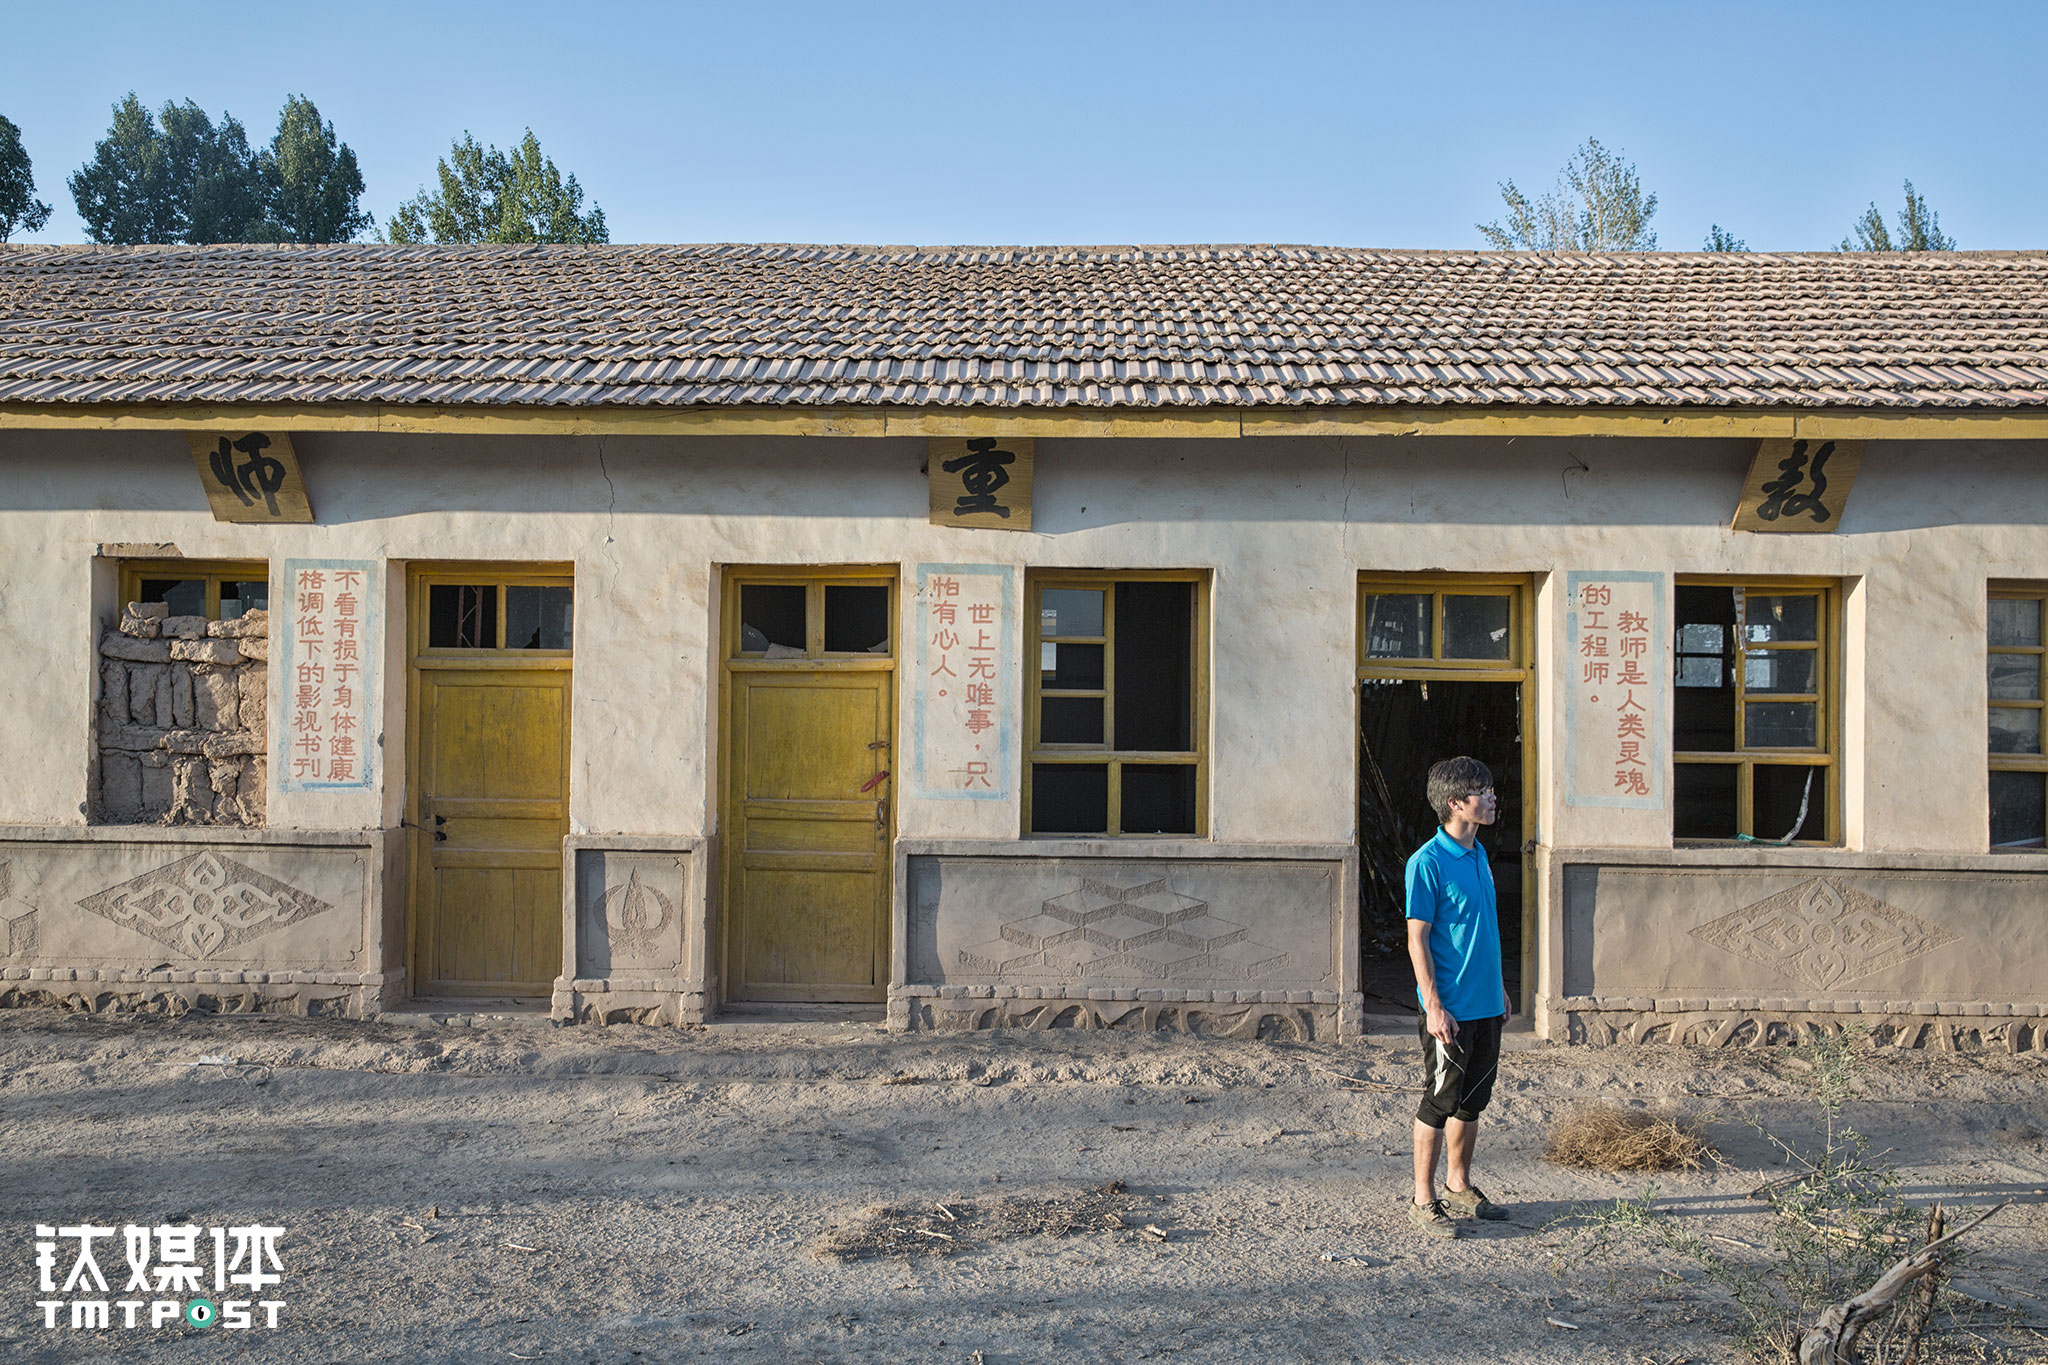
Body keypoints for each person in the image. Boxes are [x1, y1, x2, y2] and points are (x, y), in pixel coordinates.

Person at [1404, 756, 1511, 1239]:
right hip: (1449, 1009)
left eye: (1490, 789)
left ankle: (1458, 1184)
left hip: (1486, 1002)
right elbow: (1417, 938)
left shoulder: (1479, 854)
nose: (1492, 798)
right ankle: (1422, 1199)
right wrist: (1434, 1006)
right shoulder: (1427, 863)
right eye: (1482, 791)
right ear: (1455, 803)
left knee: (1473, 1101)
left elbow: (1483, 930)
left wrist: (1500, 987)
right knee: (1439, 1100)